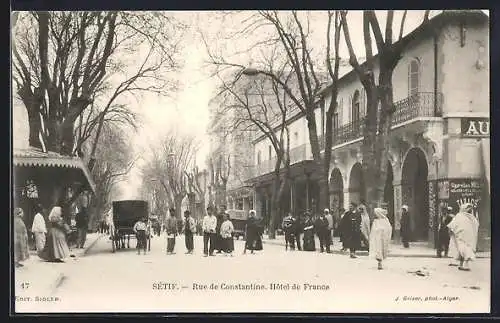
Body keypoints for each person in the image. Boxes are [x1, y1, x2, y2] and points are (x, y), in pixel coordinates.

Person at [447, 202, 479, 271]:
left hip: (469, 237)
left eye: (470, 208)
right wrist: (451, 232)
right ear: (464, 209)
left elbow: (476, 225)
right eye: (468, 208)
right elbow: (452, 225)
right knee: (463, 250)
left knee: (465, 250)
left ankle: (463, 265)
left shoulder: (472, 217)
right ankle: (463, 265)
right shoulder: (459, 216)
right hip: (461, 236)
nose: (469, 210)